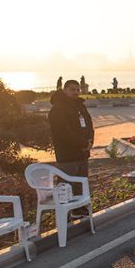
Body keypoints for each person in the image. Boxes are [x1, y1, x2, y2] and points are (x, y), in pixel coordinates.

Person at [48, 79, 94, 218]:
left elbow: (89, 124)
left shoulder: (80, 106)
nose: (75, 92)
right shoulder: (58, 109)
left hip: (83, 153)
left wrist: (90, 141)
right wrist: (82, 143)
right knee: (66, 184)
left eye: (77, 89)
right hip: (68, 155)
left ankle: (79, 209)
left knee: (80, 183)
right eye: (72, 89)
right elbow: (64, 132)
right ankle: (64, 214)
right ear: (64, 90)